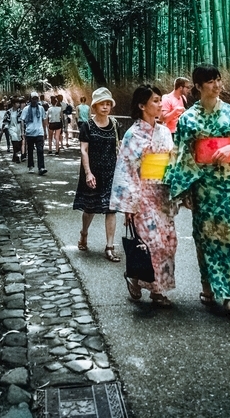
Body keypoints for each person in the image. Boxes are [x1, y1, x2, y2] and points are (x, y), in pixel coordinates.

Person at [164, 64, 230, 324]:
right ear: (197, 86)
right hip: (203, 187)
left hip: (228, 186)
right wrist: (184, 190)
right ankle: (207, 286)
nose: (217, 85)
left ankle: (228, 295)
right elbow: (180, 155)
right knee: (204, 238)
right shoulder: (187, 119)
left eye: (219, 80)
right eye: (210, 81)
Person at [111, 85, 177, 307]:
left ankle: (143, 282)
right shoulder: (132, 134)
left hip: (162, 194)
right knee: (151, 243)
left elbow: (172, 162)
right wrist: (128, 206)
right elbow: (126, 170)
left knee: (168, 242)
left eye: (160, 100)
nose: (160, 104)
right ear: (142, 105)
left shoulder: (165, 131)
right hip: (142, 195)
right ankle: (154, 290)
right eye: (156, 101)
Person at [74, 87, 121, 261]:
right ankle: (84, 233)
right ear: (95, 106)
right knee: (90, 208)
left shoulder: (115, 124)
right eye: (102, 103)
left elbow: (119, 147)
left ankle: (109, 246)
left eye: (108, 103)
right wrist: (88, 173)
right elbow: (84, 151)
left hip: (111, 172)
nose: (105, 107)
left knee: (111, 209)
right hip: (92, 171)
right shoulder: (87, 126)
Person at [22, 92, 48, 175]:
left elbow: (44, 120)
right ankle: (31, 166)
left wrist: (45, 132)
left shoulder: (41, 108)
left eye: (36, 98)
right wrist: (23, 131)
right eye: (33, 98)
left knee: (40, 150)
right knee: (30, 150)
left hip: (39, 132)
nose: (35, 100)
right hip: (29, 132)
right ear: (30, 99)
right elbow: (22, 120)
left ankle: (41, 167)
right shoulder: (26, 109)